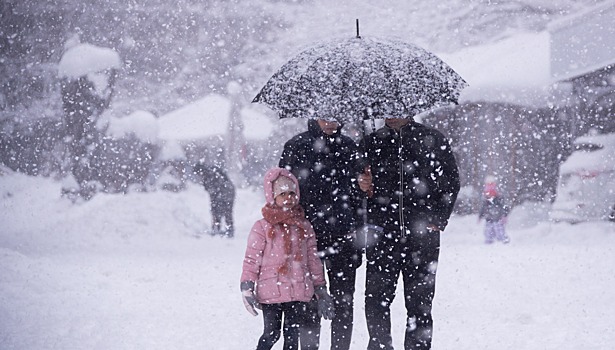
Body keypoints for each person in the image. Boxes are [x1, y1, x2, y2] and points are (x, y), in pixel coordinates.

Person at [357, 117, 460, 350]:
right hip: (381, 235)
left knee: (420, 303)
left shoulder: (432, 139)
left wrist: (438, 217)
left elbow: (451, 181)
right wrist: (361, 185)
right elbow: (354, 191)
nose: (394, 113)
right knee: (375, 301)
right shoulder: (369, 143)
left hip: (422, 237)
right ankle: (380, 346)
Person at [279, 119, 362, 350]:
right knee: (308, 300)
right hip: (305, 236)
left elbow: (361, 196)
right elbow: (282, 191)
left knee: (344, 302)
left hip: (344, 236)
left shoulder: (350, 147)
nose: (331, 120)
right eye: (325, 114)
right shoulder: (296, 146)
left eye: (336, 115)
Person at [240, 167, 335, 350]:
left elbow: (313, 260)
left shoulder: (304, 226)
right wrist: (247, 287)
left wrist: (321, 289)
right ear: (272, 196)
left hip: (297, 290)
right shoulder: (262, 227)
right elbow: (252, 260)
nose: (288, 198)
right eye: (282, 193)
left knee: (291, 337)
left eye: (292, 193)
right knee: (271, 334)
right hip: (271, 292)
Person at [193, 163, 235, 237]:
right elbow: (211, 191)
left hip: (227, 193)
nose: (199, 176)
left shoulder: (211, 173)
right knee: (217, 210)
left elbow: (217, 187)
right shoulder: (208, 175)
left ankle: (228, 230)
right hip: (224, 192)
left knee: (225, 211)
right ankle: (218, 229)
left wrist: (215, 201)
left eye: (198, 174)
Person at [478, 177, 511, 244]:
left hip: (498, 218)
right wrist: (480, 216)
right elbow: (483, 208)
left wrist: (505, 215)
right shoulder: (486, 200)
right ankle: (488, 242)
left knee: (500, 231)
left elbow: (504, 207)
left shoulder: (499, 199)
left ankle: (504, 240)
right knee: (488, 232)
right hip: (489, 219)